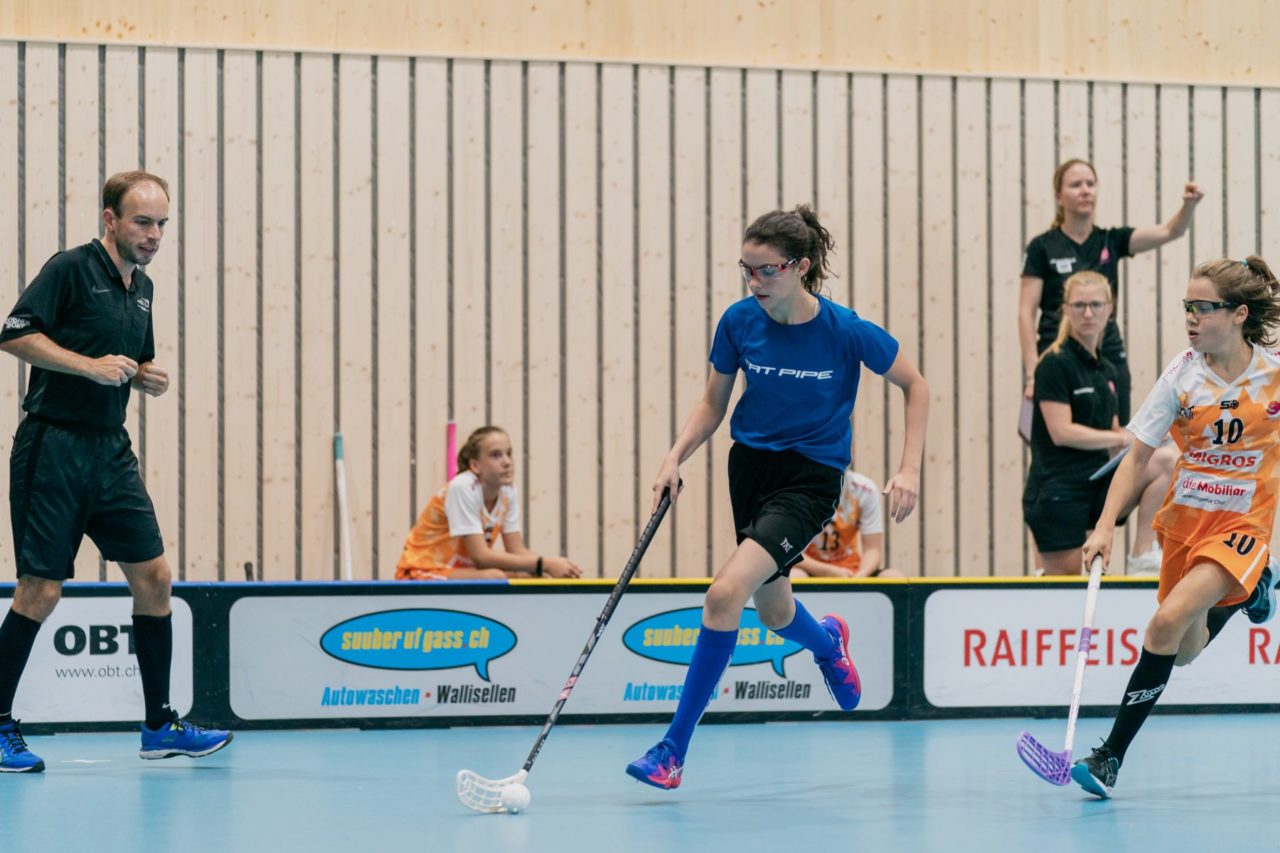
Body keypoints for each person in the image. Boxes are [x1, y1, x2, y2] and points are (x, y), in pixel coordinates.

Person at [625, 205, 928, 790]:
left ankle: (672, 751)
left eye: (766, 271)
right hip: (750, 470)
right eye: (747, 269)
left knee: (723, 596)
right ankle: (828, 642)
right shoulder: (739, 322)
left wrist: (908, 467)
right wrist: (672, 456)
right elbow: (713, 404)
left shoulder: (845, 330)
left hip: (811, 477)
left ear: (801, 267)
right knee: (775, 610)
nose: (754, 282)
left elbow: (916, 385)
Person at [0, 171, 232, 773]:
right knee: (41, 590)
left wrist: (150, 374)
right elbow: (15, 334)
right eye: (142, 222)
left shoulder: (143, 288)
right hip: (52, 447)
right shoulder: (70, 268)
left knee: (154, 576)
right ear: (110, 220)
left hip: (110, 450)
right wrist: (87, 367)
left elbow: (134, 357)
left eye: (161, 225)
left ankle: (159, 725)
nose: (154, 235)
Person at [1072, 256, 1280, 799]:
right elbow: (1137, 455)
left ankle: (1109, 757)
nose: (1190, 317)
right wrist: (1103, 528)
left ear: (1238, 314)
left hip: (1242, 527)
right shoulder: (1182, 373)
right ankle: (1251, 592)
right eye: (1186, 306)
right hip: (1185, 525)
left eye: (1202, 308)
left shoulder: (1275, 374)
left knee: (1163, 623)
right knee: (1183, 647)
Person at [1020, 159, 1204, 423]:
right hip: (1058, 349)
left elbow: (1171, 230)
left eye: (1090, 184)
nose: (1085, 190)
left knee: (1116, 434)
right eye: (1075, 185)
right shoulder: (1042, 247)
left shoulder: (1111, 240)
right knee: (1063, 438)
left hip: (1106, 349)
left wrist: (1188, 205)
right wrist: (1031, 372)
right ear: (1059, 196)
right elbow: (1025, 313)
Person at [1024, 271, 1175, 576]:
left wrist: (1148, 437)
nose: (1088, 313)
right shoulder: (1053, 363)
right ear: (1066, 310)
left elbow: (1117, 432)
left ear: (1110, 309)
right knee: (1063, 588)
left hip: (1097, 482)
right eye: (1079, 306)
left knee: (1166, 460)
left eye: (1096, 304)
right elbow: (1061, 431)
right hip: (1059, 491)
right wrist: (1121, 440)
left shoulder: (1107, 369)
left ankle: (1143, 554)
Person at [395, 425, 582, 580]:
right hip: (419, 571)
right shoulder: (463, 487)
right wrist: (545, 563)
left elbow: (516, 549)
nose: (507, 462)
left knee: (531, 576)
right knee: (494, 577)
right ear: (475, 465)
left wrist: (553, 567)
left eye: (509, 453)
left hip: (460, 571)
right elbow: (481, 557)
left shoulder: (508, 491)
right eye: (496, 455)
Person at [790, 466, 904, 579]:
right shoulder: (801, 489)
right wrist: (826, 571)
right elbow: (791, 552)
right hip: (811, 569)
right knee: (795, 576)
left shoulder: (864, 490)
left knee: (894, 577)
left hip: (850, 569)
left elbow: (873, 549)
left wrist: (862, 574)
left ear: (852, 450)